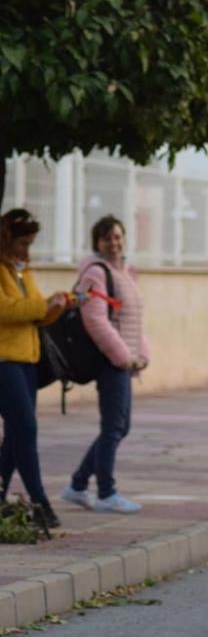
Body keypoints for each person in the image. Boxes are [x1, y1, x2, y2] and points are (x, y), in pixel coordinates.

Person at [61, 215, 150, 514]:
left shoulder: (126, 272)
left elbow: (134, 319)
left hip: (124, 361)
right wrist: (125, 356)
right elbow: (95, 319)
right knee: (114, 427)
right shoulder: (96, 273)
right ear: (96, 242)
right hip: (109, 361)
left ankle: (77, 484)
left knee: (119, 427)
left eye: (118, 236)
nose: (114, 243)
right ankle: (106, 493)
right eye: (107, 238)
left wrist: (143, 353)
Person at [0, 209, 67, 527]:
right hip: (4, 361)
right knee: (25, 428)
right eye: (22, 243)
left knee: (16, 436)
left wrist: (59, 305)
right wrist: (43, 305)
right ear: (6, 238)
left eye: (30, 244)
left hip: (27, 360)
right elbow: (5, 308)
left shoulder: (23, 272)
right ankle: (40, 502)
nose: (27, 251)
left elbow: (37, 314)